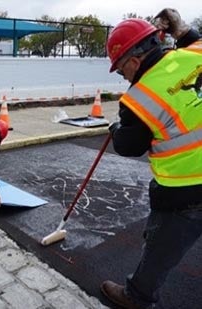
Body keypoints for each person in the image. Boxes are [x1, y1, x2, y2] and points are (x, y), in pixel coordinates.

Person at [101, 8, 202, 309]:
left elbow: (129, 146)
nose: (123, 77)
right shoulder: (193, 55)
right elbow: (195, 42)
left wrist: (116, 128)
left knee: (161, 250)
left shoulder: (138, 99)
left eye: (121, 70)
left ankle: (137, 296)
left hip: (186, 190)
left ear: (133, 61)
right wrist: (181, 31)